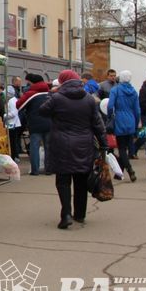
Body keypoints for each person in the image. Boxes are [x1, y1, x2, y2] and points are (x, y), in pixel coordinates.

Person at [39, 70, 108, 229]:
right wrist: (104, 144)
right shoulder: (89, 99)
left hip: (61, 144)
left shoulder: (57, 98)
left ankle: (66, 214)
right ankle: (80, 214)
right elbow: (98, 124)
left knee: (63, 181)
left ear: (62, 82)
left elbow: (42, 111)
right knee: (81, 180)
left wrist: (51, 94)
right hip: (84, 144)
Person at [107, 70, 140, 182]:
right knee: (125, 147)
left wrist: (109, 117)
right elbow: (137, 111)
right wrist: (136, 123)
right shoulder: (134, 92)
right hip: (131, 119)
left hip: (120, 119)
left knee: (121, 148)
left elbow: (110, 106)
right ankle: (119, 173)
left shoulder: (115, 90)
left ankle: (130, 170)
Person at [17, 73, 52, 175]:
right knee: (48, 147)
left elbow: (18, 106)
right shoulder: (49, 94)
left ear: (32, 82)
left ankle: (35, 170)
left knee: (34, 147)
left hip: (35, 124)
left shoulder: (30, 94)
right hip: (49, 123)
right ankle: (49, 169)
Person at [5, 85, 23, 159]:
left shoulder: (12, 101)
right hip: (14, 123)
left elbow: (13, 113)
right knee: (14, 141)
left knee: (12, 142)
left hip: (12, 124)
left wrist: (4, 115)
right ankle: (15, 156)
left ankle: (14, 156)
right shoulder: (13, 100)